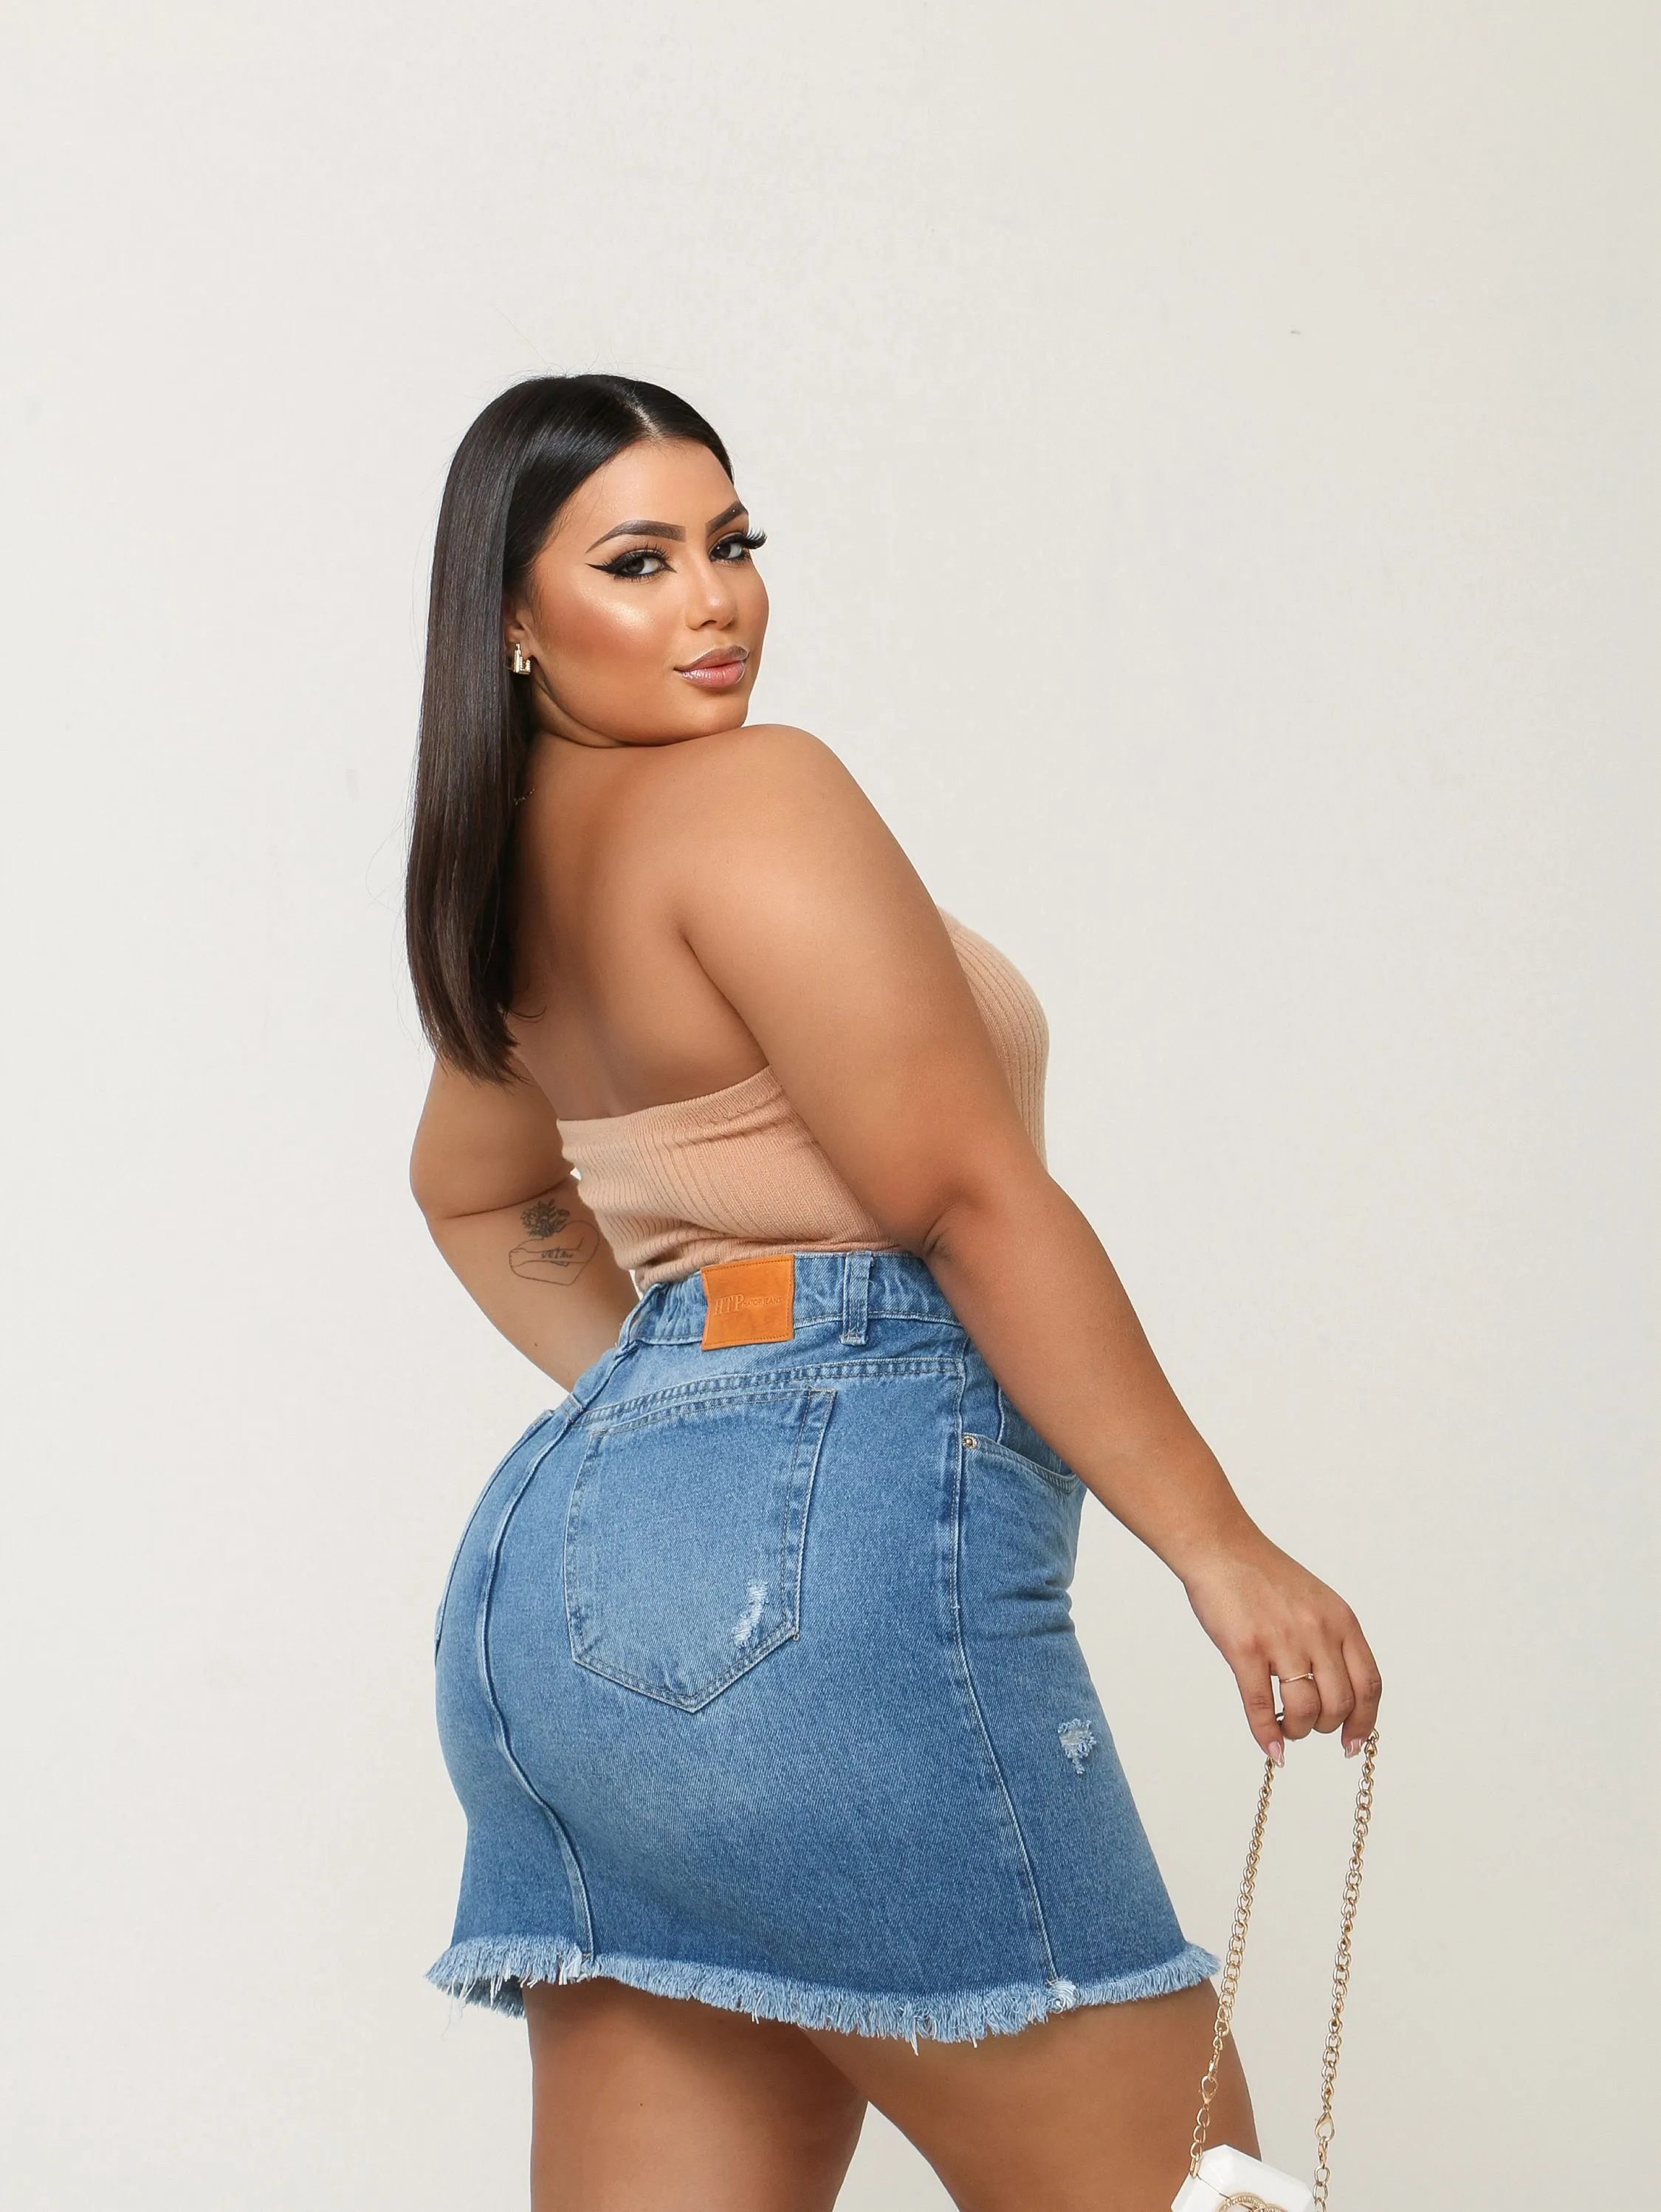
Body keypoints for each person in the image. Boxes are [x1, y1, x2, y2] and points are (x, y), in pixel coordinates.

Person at [404, 374, 1382, 2212]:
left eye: (733, 544)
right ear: (514, 620)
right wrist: (1219, 1545)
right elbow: (965, 1200)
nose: (717, 602)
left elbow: (471, 1185)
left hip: (561, 1612)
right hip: (818, 1599)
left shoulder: (509, 884)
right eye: (639, 562)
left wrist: (685, 1389)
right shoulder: (753, 792)